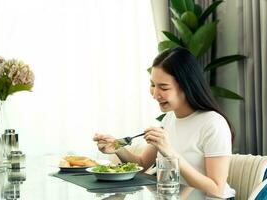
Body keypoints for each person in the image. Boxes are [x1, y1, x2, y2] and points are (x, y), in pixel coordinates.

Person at [93, 47, 235, 199]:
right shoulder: (169, 119)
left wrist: (170, 153)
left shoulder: (213, 123)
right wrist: (117, 147)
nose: (155, 94)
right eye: (153, 85)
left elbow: (217, 189)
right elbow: (141, 164)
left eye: (163, 87)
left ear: (187, 86)